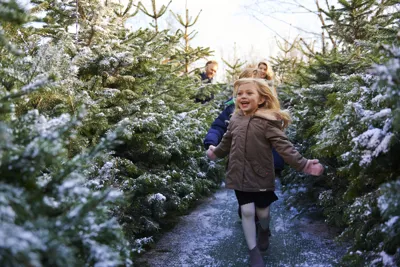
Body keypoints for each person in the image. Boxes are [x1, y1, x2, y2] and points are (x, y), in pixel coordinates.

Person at [206, 78, 324, 267]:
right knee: (246, 211)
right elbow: (226, 142)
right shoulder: (235, 119)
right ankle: (253, 251)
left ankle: (264, 229)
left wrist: (304, 165)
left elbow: (285, 148)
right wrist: (215, 152)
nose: (242, 97)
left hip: (261, 175)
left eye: (249, 93)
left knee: (263, 213)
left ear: (261, 99)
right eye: (239, 94)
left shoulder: (268, 122)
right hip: (238, 174)